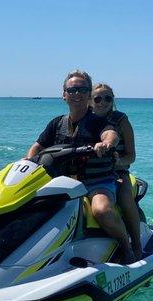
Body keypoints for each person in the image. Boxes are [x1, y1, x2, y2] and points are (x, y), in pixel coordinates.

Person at [26, 70, 135, 263]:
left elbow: (110, 134)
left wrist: (106, 143)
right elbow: (37, 146)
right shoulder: (57, 123)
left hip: (97, 182)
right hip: (63, 182)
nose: (77, 93)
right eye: (72, 89)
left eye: (82, 89)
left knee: (101, 210)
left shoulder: (97, 122)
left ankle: (127, 249)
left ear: (88, 95)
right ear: (64, 94)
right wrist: (27, 163)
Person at [91, 83, 142, 260]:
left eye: (108, 98)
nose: (102, 102)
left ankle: (136, 245)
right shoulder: (85, 119)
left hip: (117, 172)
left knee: (125, 197)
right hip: (90, 174)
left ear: (113, 100)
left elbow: (131, 155)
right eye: (97, 98)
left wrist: (118, 162)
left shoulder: (121, 120)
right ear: (90, 101)